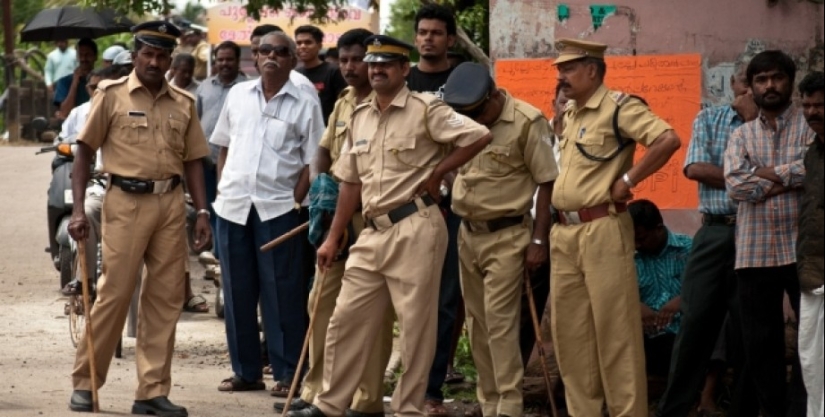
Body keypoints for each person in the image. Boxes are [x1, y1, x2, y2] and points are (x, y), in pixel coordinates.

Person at [286, 34, 492, 417]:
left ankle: (408, 408)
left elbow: (478, 135)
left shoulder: (426, 108)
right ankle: (330, 405)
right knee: (344, 320)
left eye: (386, 64)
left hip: (417, 225)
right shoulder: (360, 114)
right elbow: (350, 181)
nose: (376, 69)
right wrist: (333, 238)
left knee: (415, 327)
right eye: (373, 63)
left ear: (404, 70)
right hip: (371, 232)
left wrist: (439, 172)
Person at [66, 21, 212, 417]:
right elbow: (82, 153)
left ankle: (151, 392)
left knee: (165, 300)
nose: (154, 61)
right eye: (147, 53)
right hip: (124, 202)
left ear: (169, 60)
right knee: (114, 293)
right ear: (136, 55)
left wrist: (201, 211)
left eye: (161, 55)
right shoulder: (110, 96)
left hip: (170, 204)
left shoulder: (183, 102)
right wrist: (79, 210)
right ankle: (86, 382)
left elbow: (195, 159)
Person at [550, 38, 681, 416]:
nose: (562, 77)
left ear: (592, 70)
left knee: (616, 334)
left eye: (569, 69)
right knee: (572, 335)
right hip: (565, 233)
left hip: (602, 227)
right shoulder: (571, 113)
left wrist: (629, 178)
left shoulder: (618, 107)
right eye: (560, 70)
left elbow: (667, 139)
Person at [274, 28, 393, 417]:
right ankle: (317, 394)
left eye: (358, 59)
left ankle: (367, 400)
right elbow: (324, 151)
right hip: (336, 219)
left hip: (376, 222)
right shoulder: (343, 102)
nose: (350, 67)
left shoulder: (389, 106)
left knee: (373, 314)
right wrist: (321, 189)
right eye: (343, 60)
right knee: (322, 304)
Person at [210, 31, 323, 394]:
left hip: (279, 209)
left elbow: (314, 159)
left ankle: (287, 372)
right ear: (255, 58)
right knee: (237, 291)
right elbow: (223, 147)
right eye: (264, 51)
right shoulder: (238, 95)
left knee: (282, 293)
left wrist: (296, 201)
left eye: (280, 51)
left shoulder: (304, 99)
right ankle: (246, 371)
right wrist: (223, 188)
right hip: (233, 207)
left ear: (292, 59)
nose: (271, 56)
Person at [442, 62, 558, 417]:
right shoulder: (462, 118)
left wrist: (539, 240)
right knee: (477, 326)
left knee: (500, 322)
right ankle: (488, 402)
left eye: (479, 113)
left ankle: (509, 405)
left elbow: (546, 180)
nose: (474, 120)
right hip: (468, 233)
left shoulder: (526, 120)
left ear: (493, 95)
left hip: (508, 235)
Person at [655, 64, 759, 417]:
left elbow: (784, 170)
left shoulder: (773, 126)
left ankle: (744, 408)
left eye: (757, 84)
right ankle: (674, 408)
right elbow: (695, 168)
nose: (749, 92)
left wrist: (752, 124)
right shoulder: (709, 119)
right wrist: (754, 180)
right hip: (716, 229)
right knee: (695, 321)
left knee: (750, 329)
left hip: (758, 232)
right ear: (734, 83)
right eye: (746, 82)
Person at [723, 50, 814, 417]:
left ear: (790, 81)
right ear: (752, 87)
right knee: (761, 344)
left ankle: (803, 411)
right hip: (754, 252)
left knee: (811, 340)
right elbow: (734, 186)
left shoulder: (811, 126)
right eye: (761, 80)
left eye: (776, 78)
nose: (769, 86)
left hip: (803, 249)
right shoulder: (741, 134)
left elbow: (813, 170)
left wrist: (763, 173)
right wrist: (788, 177)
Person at [404, 5, 466, 415]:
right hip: (405, 203)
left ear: (450, 39)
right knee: (406, 299)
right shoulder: (402, 79)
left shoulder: (466, 80)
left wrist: (448, 182)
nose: (428, 39)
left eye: (436, 33)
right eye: (423, 32)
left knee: (445, 301)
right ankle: (401, 383)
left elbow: (480, 136)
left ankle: (431, 391)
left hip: (455, 200)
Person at [627, 200, 692, 386]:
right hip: (646, 339)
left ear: (658, 228)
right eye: (632, 239)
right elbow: (613, 295)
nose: (636, 244)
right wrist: (635, 306)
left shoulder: (688, 248)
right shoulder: (627, 257)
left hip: (684, 334)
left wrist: (681, 301)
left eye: (641, 238)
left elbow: (706, 287)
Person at [195, 41, 246, 271]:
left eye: (229, 59)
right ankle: (212, 250)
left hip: (234, 162)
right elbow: (195, 120)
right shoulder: (204, 87)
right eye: (220, 59)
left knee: (227, 206)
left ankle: (222, 255)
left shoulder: (247, 88)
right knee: (207, 206)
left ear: (237, 61)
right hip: (206, 161)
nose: (224, 63)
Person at [797, 70, 824, 417]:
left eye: (820, 105)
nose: (812, 112)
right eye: (807, 105)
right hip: (812, 271)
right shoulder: (812, 154)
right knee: (811, 358)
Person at [294, 25, 347, 124]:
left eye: (308, 42)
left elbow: (343, 105)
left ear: (319, 46)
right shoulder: (295, 75)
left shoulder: (333, 71)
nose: (302, 46)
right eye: (299, 43)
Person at [249, 24, 318, 98]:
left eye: (265, 50)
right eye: (255, 52)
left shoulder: (300, 85)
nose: (257, 57)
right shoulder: (244, 90)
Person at [54, 38, 97, 120]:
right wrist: (75, 82)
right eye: (80, 55)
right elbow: (64, 113)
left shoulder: (102, 80)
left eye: (87, 55)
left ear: (95, 56)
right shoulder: (64, 81)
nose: (84, 59)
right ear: (77, 57)